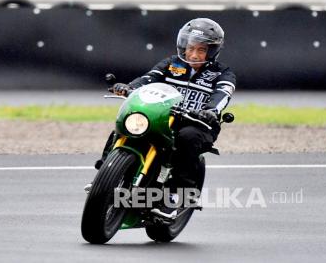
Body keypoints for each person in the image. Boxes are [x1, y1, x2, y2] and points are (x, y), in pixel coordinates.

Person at [93, 18, 237, 218]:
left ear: (212, 51)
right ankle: (104, 175)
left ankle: (180, 195)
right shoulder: (171, 64)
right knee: (132, 121)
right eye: (191, 48)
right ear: (183, 46)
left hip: (199, 123)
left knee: (188, 138)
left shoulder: (222, 73)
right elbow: (149, 78)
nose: (194, 54)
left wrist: (211, 110)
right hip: (163, 115)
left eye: (201, 50)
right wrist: (129, 87)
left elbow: (223, 94)